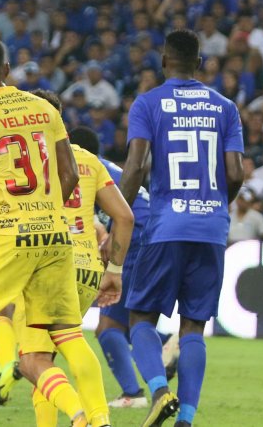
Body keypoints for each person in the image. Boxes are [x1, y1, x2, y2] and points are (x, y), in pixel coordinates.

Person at [0, 32, 113, 427]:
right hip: (56, 235)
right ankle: (94, 417)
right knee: (69, 333)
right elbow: (69, 172)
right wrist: (48, 211)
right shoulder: (44, 108)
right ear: (6, 70)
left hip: (7, 234)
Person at [119, 29, 246, 427]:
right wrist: (214, 206)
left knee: (139, 317)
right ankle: (186, 419)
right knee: (194, 326)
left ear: (162, 62)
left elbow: (137, 166)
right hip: (211, 227)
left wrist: (116, 215)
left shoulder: (148, 103)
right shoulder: (225, 106)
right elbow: (235, 172)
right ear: (201, 64)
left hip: (165, 226)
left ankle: (158, 391)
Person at [10, 92, 134, 427]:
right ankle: (101, 418)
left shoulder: (21, 156)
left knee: (32, 361)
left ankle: (80, 418)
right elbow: (124, 218)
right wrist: (115, 272)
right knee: (68, 342)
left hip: (44, 263)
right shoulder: (89, 160)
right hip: (86, 267)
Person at [95, 152, 152, 408]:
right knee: (130, 319)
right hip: (153, 235)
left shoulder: (81, 167)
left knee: (107, 327)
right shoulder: (104, 167)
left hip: (134, 239)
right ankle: (167, 344)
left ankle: (133, 394)